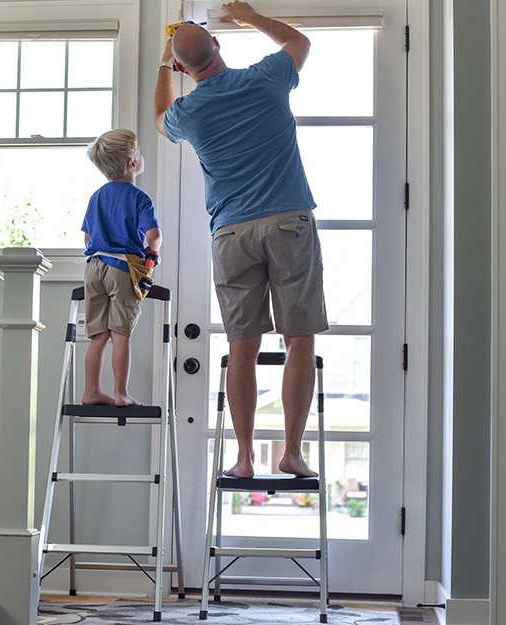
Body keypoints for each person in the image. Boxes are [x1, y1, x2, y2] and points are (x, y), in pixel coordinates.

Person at [154, 1, 327, 478]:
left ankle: (245, 458)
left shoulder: (188, 112)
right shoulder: (264, 78)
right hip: (288, 222)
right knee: (299, 342)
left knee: (243, 347)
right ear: (218, 44)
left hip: (230, 233)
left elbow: (160, 115)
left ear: (185, 69)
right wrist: (249, 15)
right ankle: (291, 453)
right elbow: (300, 43)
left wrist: (165, 65)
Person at [81, 129, 163, 407]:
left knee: (98, 335)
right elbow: (153, 237)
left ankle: (91, 390)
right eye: (139, 151)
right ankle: (121, 394)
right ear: (131, 163)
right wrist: (153, 251)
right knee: (121, 334)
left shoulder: (96, 197)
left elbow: (87, 238)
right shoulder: (139, 198)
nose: (142, 155)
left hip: (94, 268)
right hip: (122, 268)